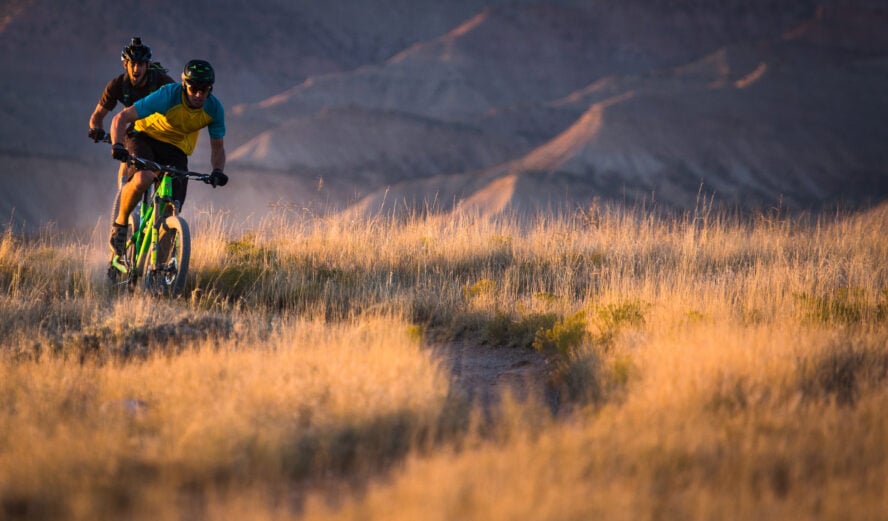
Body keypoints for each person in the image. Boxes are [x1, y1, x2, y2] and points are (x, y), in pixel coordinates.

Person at [108, 59, 228, 261]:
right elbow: (121, 118)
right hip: (144, 137)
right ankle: (120, 225)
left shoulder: (214, 109)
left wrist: (217, 171)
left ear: (210, 89)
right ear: (185, 85)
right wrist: (118, 145)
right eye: (194, 89)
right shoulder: (168, 95)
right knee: (143, 178)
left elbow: (218, 147)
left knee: (173, 209)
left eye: (204, 90)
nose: (199, 94)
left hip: (176, 150)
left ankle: (158, 273)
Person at [88, 37, 174, 188]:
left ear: (147, 65)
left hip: (160, 129)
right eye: (133, 64)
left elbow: (179, 104)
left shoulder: (162, 81)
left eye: (140, 64)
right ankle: (123, 196)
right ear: (125, 64)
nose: (136, 69)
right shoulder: (117, 85)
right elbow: (97, 116)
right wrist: (96, 129)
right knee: (126, 155)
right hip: (134, 130)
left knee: (166, 170)